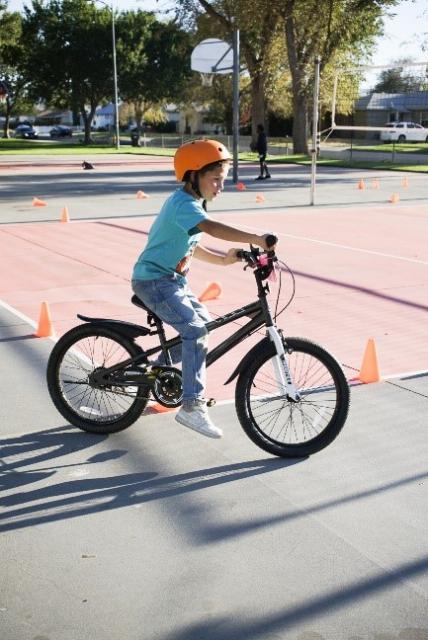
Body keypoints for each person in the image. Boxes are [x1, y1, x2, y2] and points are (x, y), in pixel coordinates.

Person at [131, 139, 276, 439]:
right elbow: (212, 228)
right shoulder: (183, 204)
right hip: (153, 280)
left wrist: (224, 260)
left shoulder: (192, 204)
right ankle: (192, 407)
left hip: (172, 281)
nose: (220, 187)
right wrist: (258, 238)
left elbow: (192, 247)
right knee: (195, 330)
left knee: (202, 323)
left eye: (223, 180)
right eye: (215, 180)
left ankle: (160, 374)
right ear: (192, 175)